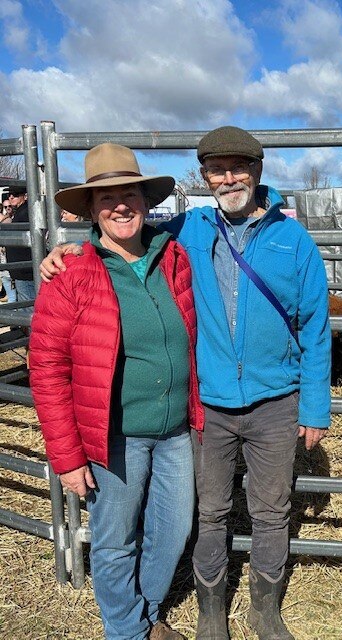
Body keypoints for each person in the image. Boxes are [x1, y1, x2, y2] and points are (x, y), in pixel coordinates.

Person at [40, 127, 332, 640]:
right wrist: (60, 253)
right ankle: (206, 611)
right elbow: (51, 363)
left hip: (267, 404)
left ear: (259, 170)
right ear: (204, 177)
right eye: (217, 169)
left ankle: (263, 610)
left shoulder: (289, 239)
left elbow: (315, 324)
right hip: (203, 408)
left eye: (238, 166)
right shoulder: (187, 230)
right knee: (208, 512)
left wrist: (314, 404)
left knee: (265, 510)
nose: (228, 177)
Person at [30, 143, 204, 640]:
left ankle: (141, 617)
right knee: (114, 542)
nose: (121, 205)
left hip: (172, 431)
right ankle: (127, 631)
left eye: (129, 193)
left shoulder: (171, 255)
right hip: (112, 437)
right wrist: (67, 457)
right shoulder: (72, 274)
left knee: (172, 534)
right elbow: (46, 368)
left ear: (146, 202)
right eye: (106, 198)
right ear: (91, 210)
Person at [5, 186, 35, 312]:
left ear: (25, 196)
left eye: (15, 194)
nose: (11, 197)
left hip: (25, 271)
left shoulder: (25, 212)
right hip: (22, 270)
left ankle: (31, 331)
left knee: (29, 308)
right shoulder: (21, 211)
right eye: (10, 194)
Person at [0, 198, 16, 303]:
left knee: (12, 296)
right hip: (5, 262)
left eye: (9, 206)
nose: (8, 208)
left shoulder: (8, 221)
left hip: (6, 261)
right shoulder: (8, 221)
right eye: (6, 207)